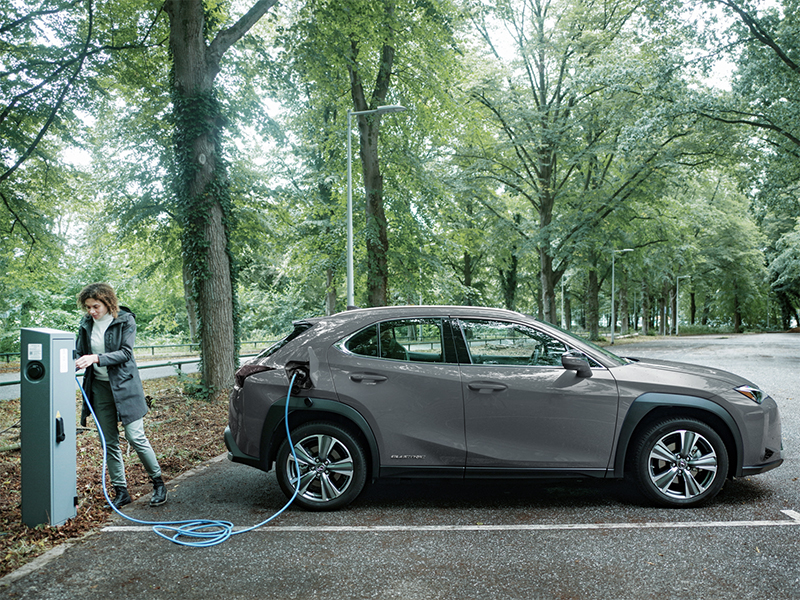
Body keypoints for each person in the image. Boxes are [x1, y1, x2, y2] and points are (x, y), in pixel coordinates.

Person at [75, 283, 167, 509]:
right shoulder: (86, 323)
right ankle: (121, 491)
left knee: (135, 437)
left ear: (108, 303)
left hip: (126, 386)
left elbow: (126, 353)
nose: (91, 311)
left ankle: (158, 483)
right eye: (88, 307)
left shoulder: (125, 320)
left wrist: (95, 358)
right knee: (109, 441)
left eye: (95, 306)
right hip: (99, 387)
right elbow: (78, 351)